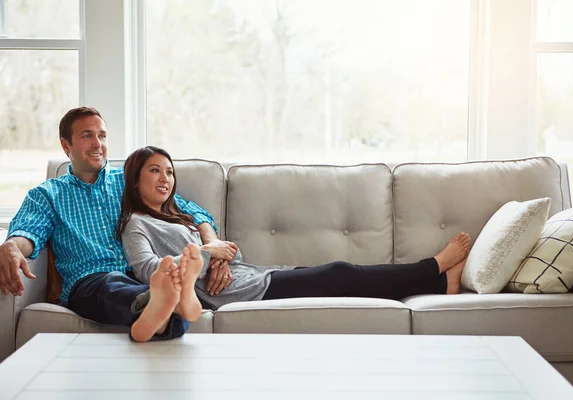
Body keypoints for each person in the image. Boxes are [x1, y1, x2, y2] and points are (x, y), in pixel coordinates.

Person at [118, 146, 471, 310]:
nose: (165, 178)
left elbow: (226, 252)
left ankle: (440, 283)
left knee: (343, 283)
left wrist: (221, 258)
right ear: (135, 180)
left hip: (253, 275)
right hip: (238, 294)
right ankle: (434, 267)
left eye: (169, 171)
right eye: (154, 171)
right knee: (340, 273)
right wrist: (209, 254)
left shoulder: (177, 215)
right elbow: (148, 270)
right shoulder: (137, 225)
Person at [0, 107, 234, 342]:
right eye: (87, 136)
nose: (97, 143)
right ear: (66, 145)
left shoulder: (129, 181)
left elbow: (190, 211)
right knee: (119, 287)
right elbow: (29, 233)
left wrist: (213, 244)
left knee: (162, 294)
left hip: (142, 278)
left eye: (102, 136)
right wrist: (11, 245)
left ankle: (164, 311)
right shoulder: (48, 194)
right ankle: (166, 304)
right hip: (91, 280)